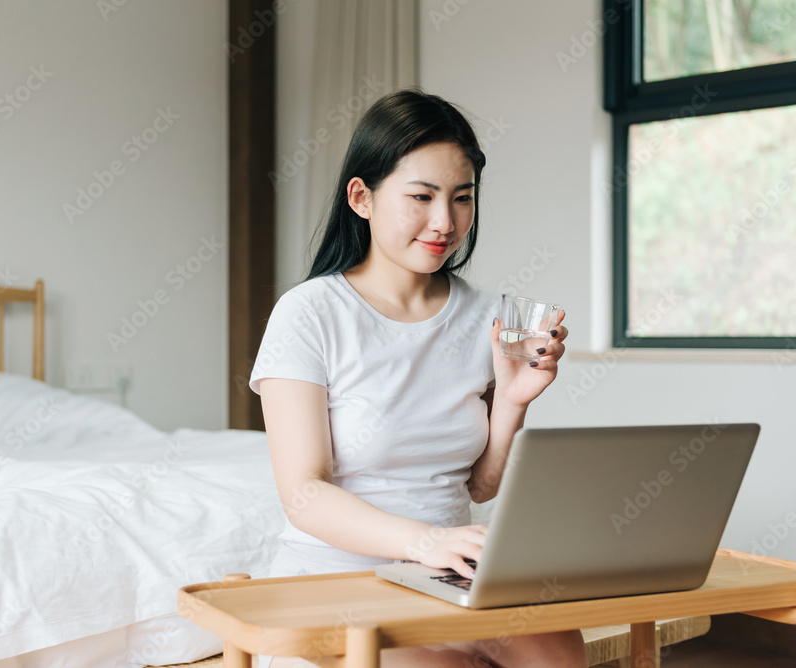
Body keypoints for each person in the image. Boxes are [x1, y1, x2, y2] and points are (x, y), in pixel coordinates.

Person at [249, 88, 586, 668]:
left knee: (559, 650)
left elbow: (478, 487)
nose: (444, 222)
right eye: (421, 197)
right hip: (336, 583)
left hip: (449, 578)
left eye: (462, 199)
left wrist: (510, 401)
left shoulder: (489, 316)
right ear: (362, 197)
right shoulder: (309, 313)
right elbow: (304, 495)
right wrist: (425, 542)